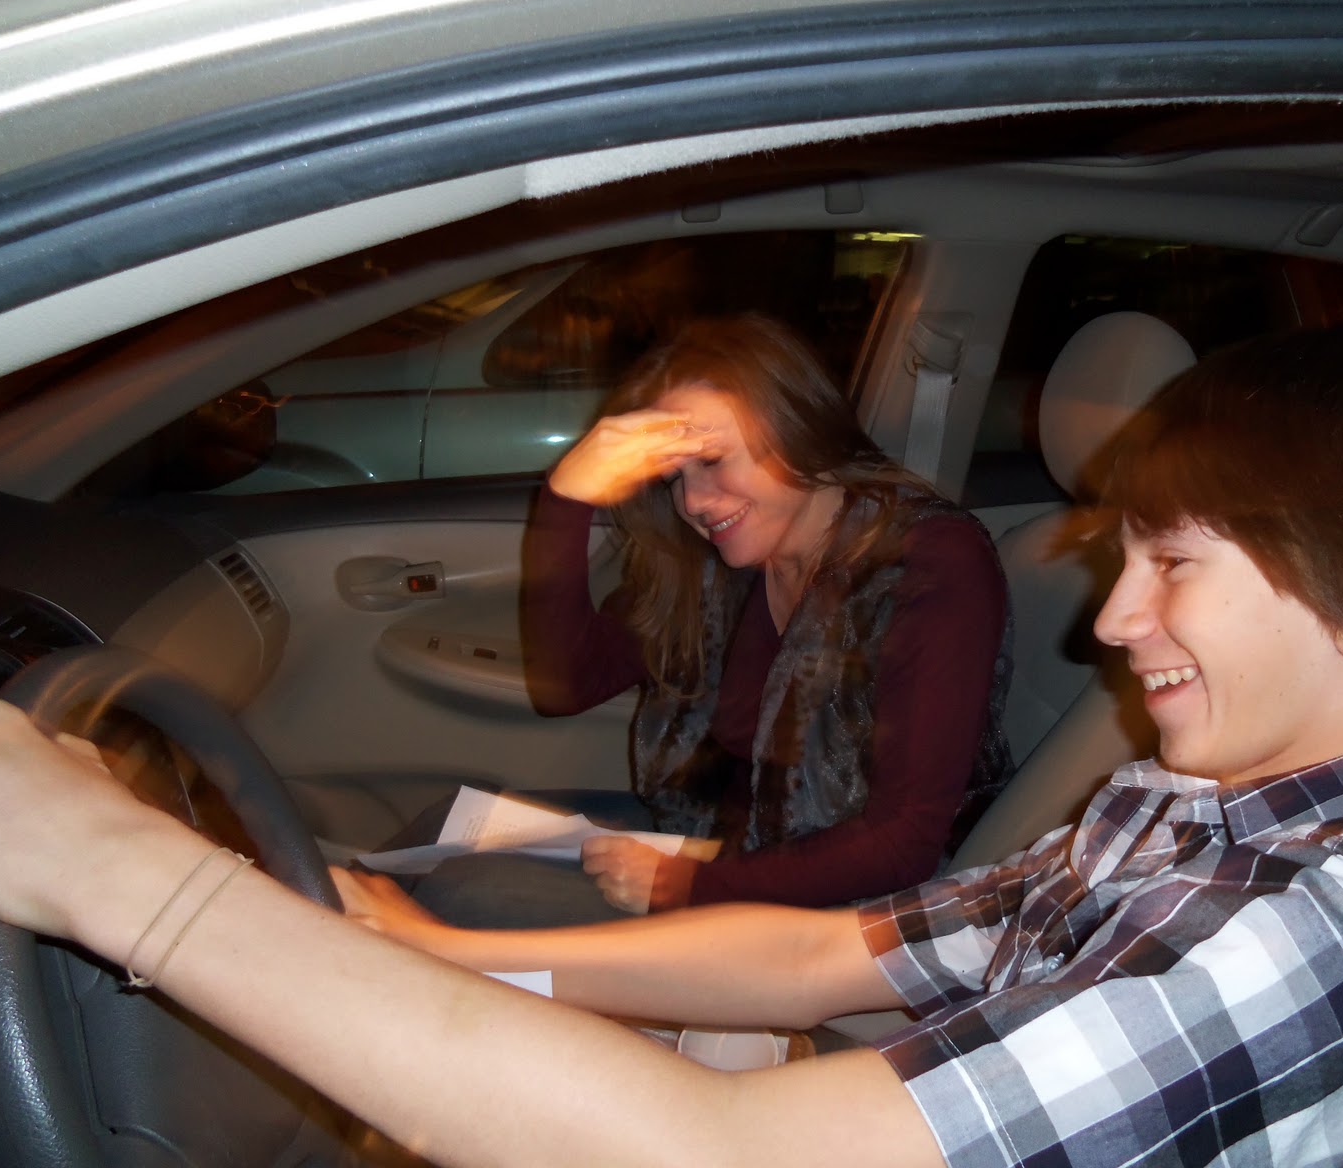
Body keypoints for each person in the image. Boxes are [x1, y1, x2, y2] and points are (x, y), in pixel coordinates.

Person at [0, 320, 1343, 1167]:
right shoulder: (1177, 813)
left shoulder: (1326, 936)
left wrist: (130, 881)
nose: (1114, 622)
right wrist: (445, 954)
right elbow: (834, 953)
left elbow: (715, 1145)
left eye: (1171, 563)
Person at [404, 314, 1014, 922]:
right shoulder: (719, 564)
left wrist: (685, 887)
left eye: (713, 460)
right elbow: (567, 686)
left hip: (845, 904)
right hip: (713, 839)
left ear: (796, 426)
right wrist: (566, 500)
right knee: (442, 835)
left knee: (457, 897)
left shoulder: (928, 563)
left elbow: (903, 844)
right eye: (673, 477)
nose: (693, 501)